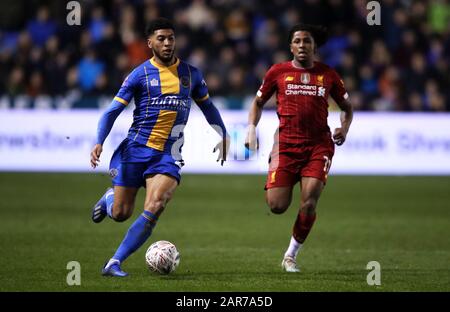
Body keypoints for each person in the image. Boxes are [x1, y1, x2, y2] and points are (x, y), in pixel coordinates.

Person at [90, 18, 229, 277]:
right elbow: (111, 112)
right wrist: (99, 140)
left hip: (168, 154)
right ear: (150, 43)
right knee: (121, 213)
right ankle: (110, 199)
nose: (167, 43)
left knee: (156, 205)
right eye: (161, 39)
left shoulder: (191, 74)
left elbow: (208, 107)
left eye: (171, 38)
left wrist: (223, 133)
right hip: (135, 150)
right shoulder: (139, 75)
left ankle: (114, 262)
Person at [245, 24, 353, 272]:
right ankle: (279, 171)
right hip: (285, 145)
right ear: (290, 46)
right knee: (277, 206)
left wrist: (343, 129)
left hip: (318, 145)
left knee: (309, 202)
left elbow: (347, 108)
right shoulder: (278, 72)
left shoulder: (328, 75)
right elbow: (258, 102)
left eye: (307, 41)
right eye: (297, 41)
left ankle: (290, 255)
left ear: (314, 46)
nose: (302, 45)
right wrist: (251, 127)